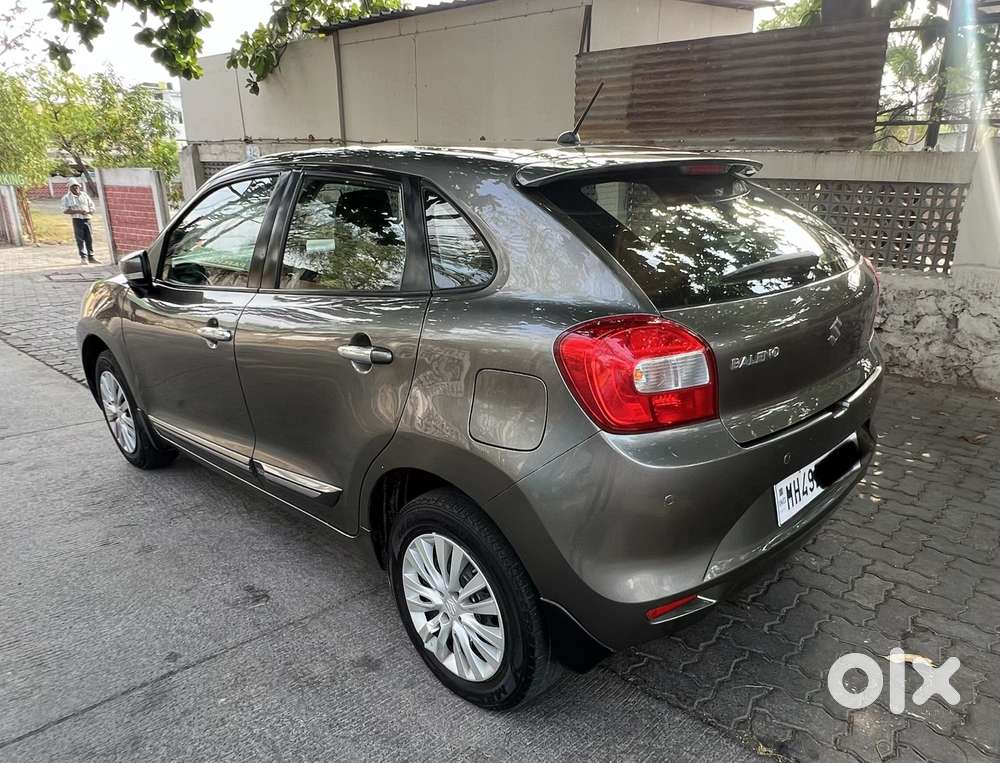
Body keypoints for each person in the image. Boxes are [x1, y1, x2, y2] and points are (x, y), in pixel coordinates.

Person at [61, 181, 99, 264]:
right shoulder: (67, 198)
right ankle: (83, 257)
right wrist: (78, 211)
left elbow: (92, 206)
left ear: (79, 186)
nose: (75, 188)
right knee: (80, 239)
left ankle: (91, 257)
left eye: (76, 186)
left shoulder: (84, 195)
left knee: (89, 238)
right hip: (77, 220)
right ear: (70, 188)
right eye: (73, 186)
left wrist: (89, 211)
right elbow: (65, 210)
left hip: (87, 219)